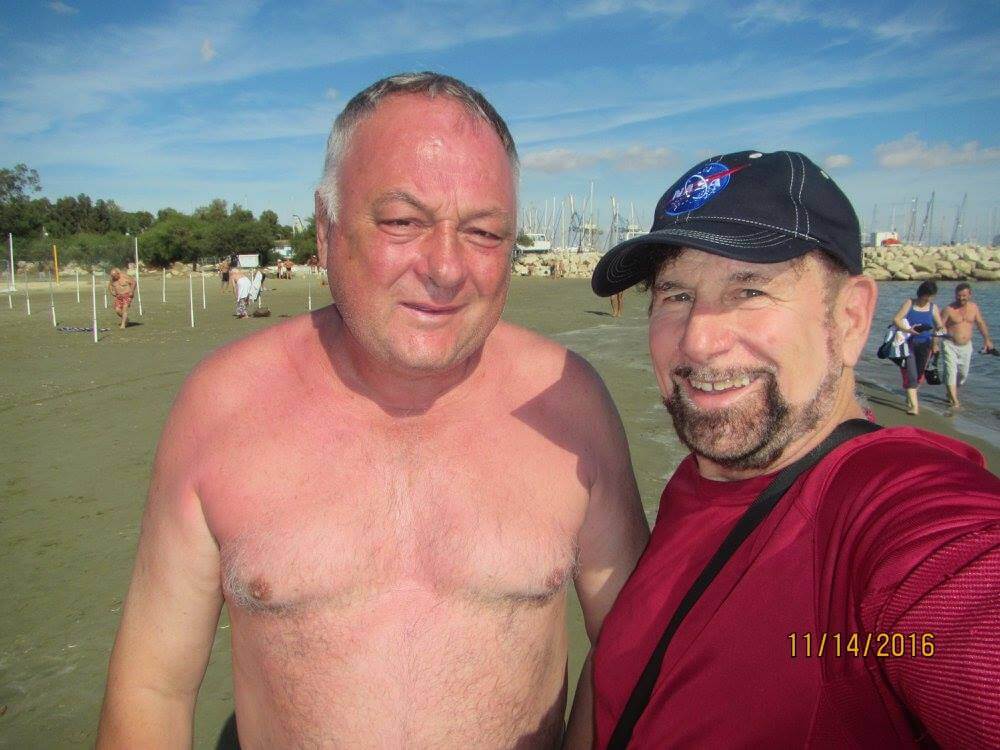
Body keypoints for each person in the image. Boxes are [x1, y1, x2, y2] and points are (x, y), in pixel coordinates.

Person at [97, 72, 649, 749]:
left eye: (483, 232)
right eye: (402, 222)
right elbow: (153, 686)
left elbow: (634, 648)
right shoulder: (222, 405)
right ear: (326, 230)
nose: (445, 268)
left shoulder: (568, 403)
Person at [589, 150, 1000, 748]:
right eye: (675, 295)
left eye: (750, 290)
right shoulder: (699, 482)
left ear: (850, 319)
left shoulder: (899, 510)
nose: (698, 341)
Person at [891, 280, 944, 415]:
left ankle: (910, 396)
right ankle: (914, 407)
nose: (928, 299)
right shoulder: (910, 303)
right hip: (907, 344)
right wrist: (908, 330)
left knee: (919, 376)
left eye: (931, 296)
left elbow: (939, 326)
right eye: (927, 296)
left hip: (925, 345)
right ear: (921, 293)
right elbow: (896, 319)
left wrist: (937, 339)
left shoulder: (933, 307)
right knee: (912, 375)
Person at [940, 282, 993, 409]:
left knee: (963, 374)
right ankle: (955, 402)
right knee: (951, 372)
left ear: (970, 294)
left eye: (964, 296)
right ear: (955, 295)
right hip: (949, 344)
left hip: (966, 346)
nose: (961, 298)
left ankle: (950, 393)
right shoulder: (948, 309)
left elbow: (980, 323)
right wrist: (934, 345)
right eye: (958, 296)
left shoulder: (974, 308)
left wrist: (987, 340)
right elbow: (939, 327)